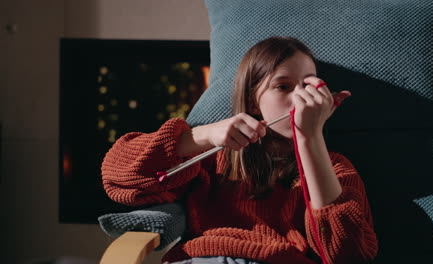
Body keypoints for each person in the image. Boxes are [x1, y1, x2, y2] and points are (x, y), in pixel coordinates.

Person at [101, 36, 378, 264]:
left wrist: (310, 137)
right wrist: (204, 134)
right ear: (253, 103)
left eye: (307, 86)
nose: (300, 98)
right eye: (283, 86)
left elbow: (350, 256)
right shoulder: (214, 161)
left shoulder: (336, 169)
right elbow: (117, 176)